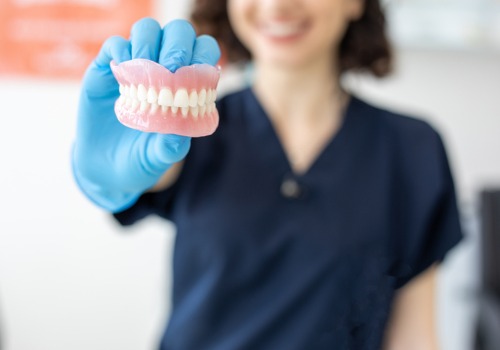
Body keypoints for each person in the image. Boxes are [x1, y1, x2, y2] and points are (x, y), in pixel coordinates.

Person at [72, 0, 463, 349]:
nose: (276, 5)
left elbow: (414, 336)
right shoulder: (187, 128)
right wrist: (105, 178)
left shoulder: (413, 148)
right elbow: (135, 180)